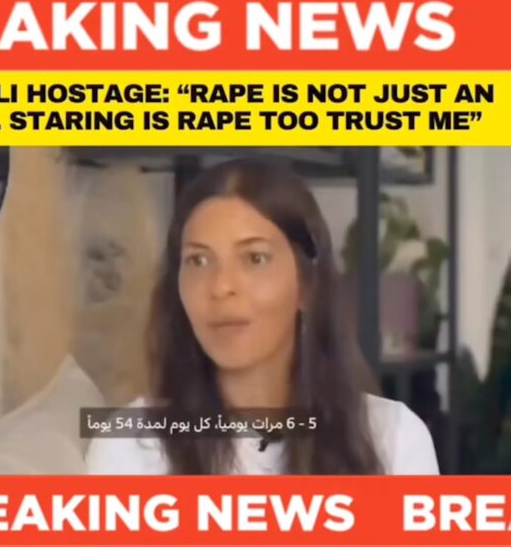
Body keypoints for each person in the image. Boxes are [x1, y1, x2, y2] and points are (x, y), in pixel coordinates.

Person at [85, 159, 439, 475]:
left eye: (255, 258)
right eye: (198, 260)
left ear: (306, 286)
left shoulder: (392, 439)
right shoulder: (131, 447)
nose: (221, 286)